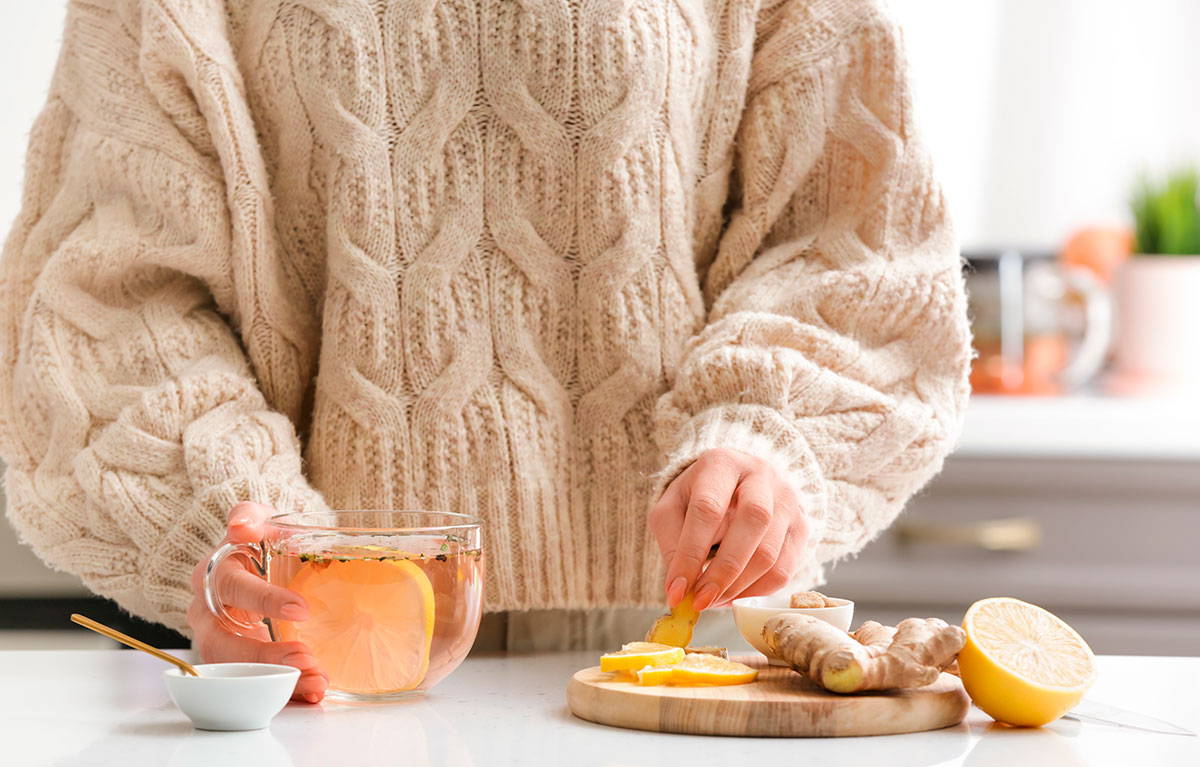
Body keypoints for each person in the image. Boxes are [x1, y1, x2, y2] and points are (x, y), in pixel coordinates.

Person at [0, 0, 970, 702]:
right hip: (326, 671)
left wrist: (764, 432)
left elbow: (850, 232)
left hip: (696, 669)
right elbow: (112, 292)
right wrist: (227, 522)